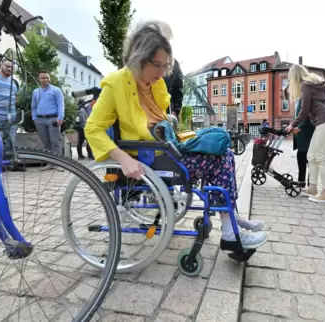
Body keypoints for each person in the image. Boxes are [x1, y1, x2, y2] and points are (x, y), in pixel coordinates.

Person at [85, 20, 267, 249]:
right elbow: (92, 128)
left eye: (165, 65)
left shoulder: (153, 84)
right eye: (157, 65)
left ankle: (231, 215)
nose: (162, 73)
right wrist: (123, 158)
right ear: (139, 57)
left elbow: (159, 120)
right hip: (148, 157)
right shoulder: (116, 84)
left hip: (164, 149)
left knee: (225, 153)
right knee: (219, 161)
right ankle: (230, 230)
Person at [285, 64, 325, 203]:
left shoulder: (305, 86)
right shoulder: (316, 83)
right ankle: (312, 188)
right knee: (311, 156)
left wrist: (292, 124)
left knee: (320, 157)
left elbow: (304, 109)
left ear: (294, 77)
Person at [31, 70, 65, 171]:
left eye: (47, 77)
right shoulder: (36, 92)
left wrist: (60, 117)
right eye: (43, 78)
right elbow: (33, 105)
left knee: (55, 142)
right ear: (39, 79)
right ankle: (50, 163)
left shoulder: (56, 90)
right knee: (46, 143)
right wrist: (34, 118)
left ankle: (59, 164)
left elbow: (61, 104)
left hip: (53, 119)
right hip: (40, 120)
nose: (46, 79)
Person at [285, 85, 314, 188]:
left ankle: (311, 185)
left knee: (310, 160)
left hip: (307, 135)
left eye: (290, 93)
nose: (290, 96)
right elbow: (298, 117)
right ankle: (301, 182)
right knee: (301, 158)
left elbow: (306, 117)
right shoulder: (298, 101)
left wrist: (299, 127)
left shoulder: (303, 99)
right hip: (301, 137)